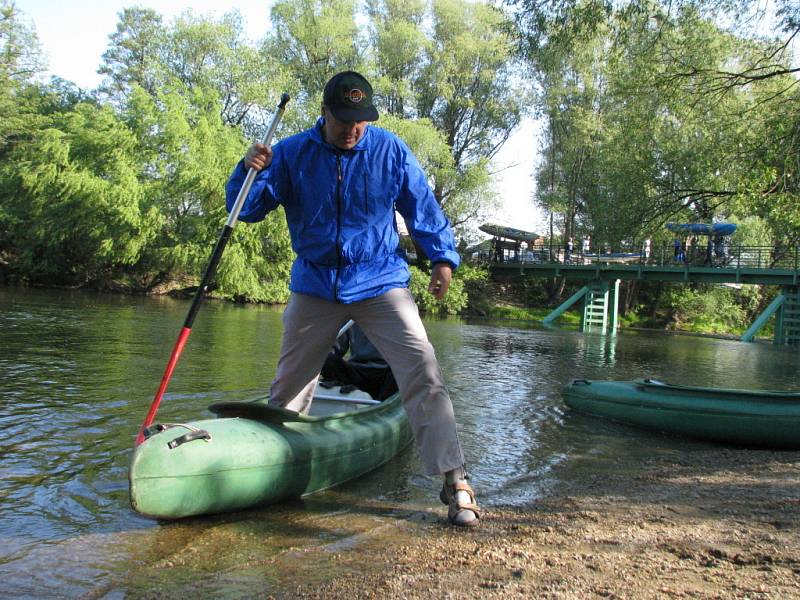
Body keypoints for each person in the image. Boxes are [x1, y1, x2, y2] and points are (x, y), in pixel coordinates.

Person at [225, 71, 479, 527]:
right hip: (316, 284)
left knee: (423, 370)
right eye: (343, 120)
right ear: (324, 112)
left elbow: (422, 206)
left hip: (380, 281)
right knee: (288, 386)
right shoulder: (291, 154)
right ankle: (268, 468)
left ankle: (454, 478)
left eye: (360, 121)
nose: (352, 129)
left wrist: (443, 258)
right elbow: (245, 210)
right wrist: (248, 170)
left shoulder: (389, 150)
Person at [320, 323, 398, 401]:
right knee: (326, 358)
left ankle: (384, 408)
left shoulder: (400, 316)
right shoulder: (350, 317)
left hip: (387, 372)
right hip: (358, 371)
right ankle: (340, 391)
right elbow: (335, 349)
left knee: (399, 369)